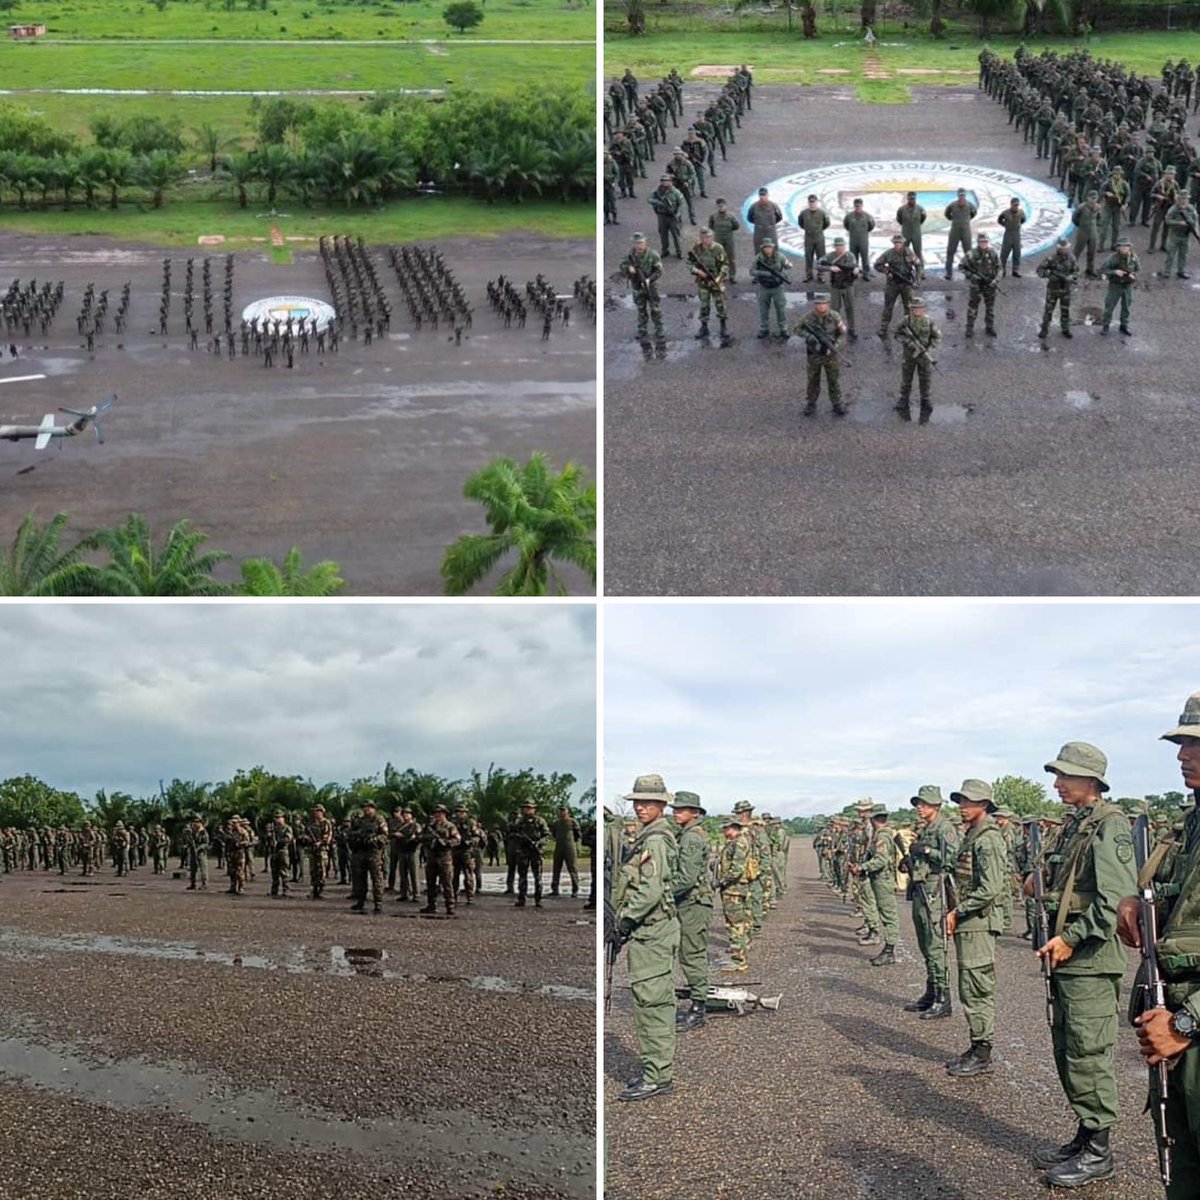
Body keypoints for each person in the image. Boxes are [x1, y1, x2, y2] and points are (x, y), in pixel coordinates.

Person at [1027, 742, 1135, 1188]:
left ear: (1091, 780)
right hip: (1071, 958)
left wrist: (1070, 937)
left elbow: (1115, 900)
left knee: (1088, 1052)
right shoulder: (1076, 825)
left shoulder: (1110, 826)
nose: (1057, 783)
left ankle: (1099, 1151)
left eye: (1065, 775)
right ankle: (1085, 1133)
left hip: (1089, 957)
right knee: (1069, 1049)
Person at [1117, 690, 1200, 1199]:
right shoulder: (1191, 824)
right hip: (1172, 1017)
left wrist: (1188, 1022)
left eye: (1195, 744)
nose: (1181, 755)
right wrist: (1135, 896)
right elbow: (1170, 892)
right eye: (1182, 743)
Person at [613, 774, 680, 1101]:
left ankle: (657, 1076)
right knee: (653, 999)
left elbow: (650, 890)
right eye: (637, 802)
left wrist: (625, 920)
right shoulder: (650, 835)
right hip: (652, 928)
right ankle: (657, 1070)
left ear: (662, 805)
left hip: (653, 929)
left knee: (652, 1002)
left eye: (648, 803)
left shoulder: (654, 840)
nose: (640, 808)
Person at [944, 778, 1007, 1078]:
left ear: (983, 805)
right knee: (969, 987)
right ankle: (977, 1044)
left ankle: (983, 1052)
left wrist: (958, 910)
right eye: (960, 801)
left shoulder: (988, 839)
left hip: (978, 922)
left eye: (967, 802)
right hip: (971, 922)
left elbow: (990, 888)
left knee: (977, 987)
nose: (961, 807)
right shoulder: (974, 835)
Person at [904, 786, 960, 1020]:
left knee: (935, 944)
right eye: (918, 803)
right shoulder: (927, 827)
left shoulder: (944, 827)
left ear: (936, 806)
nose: (919, 807)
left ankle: (942, 997)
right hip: (921, 888)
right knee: (925, 943)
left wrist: (926, 850)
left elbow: (951, 858)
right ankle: (931, 991)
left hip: (934, 890)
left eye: (924, 804)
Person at [670, 791, 712, 1032]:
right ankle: (697, 1001)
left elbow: (686, 878)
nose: (677, 812)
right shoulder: (686, 834)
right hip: (690, 902)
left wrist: (662, 895)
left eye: (682, 809)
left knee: (692, 954)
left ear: (695, 813)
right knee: (690, 953)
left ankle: (698, 1010)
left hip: (693, 903)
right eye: (676, 808)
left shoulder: (692, 838)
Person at [855, 803, 899, 965]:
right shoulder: (880, 834)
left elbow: (881, 859)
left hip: (883, 879)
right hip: (879, 878)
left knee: (889, 915)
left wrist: (863, 867)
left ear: (875, 819)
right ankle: (888, 948)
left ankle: (889, 950)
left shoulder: (882, 836)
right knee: (885, 913)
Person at [794, 293, 847, 417]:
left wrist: (836, 347)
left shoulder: (835, 316)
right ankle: (811, 403)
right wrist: (809, 336)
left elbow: (843, 334)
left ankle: (837, 403)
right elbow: (796, 329)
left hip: (830, 355)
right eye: (819, 304)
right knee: (813, 380)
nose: (821, 306)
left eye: (824, 304)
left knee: (833, 379)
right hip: (814, 355)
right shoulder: (808, 317)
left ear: (828, 304)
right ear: (815, 305)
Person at [716, 814, 754, 973]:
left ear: (732, 827)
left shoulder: (738, 843)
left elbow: (737, 869)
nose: (724, 831)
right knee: (742, 923)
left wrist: (722, 881)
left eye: (726, 828)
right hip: (738, 888)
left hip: (734, 889)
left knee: (734, 925)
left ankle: (739, 961)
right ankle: (739, 953)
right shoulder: (738, 841)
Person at [894, 295, 940, 422]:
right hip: (909, 355)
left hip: (924, 355)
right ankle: (904, 399)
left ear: (923, 309)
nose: (917, 311)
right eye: (914, 308)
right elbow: (897, 334)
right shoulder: (906, 321)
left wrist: (930, 349)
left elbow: (937, 336)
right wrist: (909, 343)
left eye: (919, 308)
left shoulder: (929, 321)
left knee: (925, 379)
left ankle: (925, 400)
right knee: (906, 378)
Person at [619, 233, 664, 346]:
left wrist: (649, 279)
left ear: (645, 243)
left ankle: (659, 328)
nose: (639, 245)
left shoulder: (653, 255)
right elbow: (622, 265)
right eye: (637, 243)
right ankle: (642, 330)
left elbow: (659, 271)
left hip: (651, 286)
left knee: (655, 308)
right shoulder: (630, 254)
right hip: (637, 286)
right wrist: (628, 268)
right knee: (641, 309)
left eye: (641, 243)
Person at [687, 227, 729, 342]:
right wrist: (697, 271)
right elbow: (689, 264)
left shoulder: (718, 248)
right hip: (702, 283)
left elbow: (725, 264)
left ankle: (723, 327)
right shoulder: (696, 249)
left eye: (709, 237)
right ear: (701, 238)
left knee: (720, 305)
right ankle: (704, 327)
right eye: (704, 237)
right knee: (704, 305)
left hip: (716, 281)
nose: (706, 240)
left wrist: (719, 277)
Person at [875, 234, 918, 338]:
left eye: (899, 242)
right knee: (888, 307)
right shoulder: (889, 253)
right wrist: (886, 272)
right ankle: (883, 328)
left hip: (906, 283)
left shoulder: (909, 252)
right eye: (895, 243)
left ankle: (908, 328)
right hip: (892, 284)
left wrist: (917, 279)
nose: (897, 244)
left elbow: (918, 265)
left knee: (909, 307)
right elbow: (877, 264)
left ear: (903, 243)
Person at [349, 799, 388, 915]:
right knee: (360, 878)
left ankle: (378, 903)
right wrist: (356, 837)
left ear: (373, 808)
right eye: (364, 807)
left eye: (368, 807)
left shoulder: (379, 820)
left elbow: (385, 835)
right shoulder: (359, 821)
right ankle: (360, 901)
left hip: (373, 852)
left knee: (376, 878)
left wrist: (375, 839)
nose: (366, 809)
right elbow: (351, 833)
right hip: (360, 851)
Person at [421, 803, 460, 916]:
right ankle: (431, 905)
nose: (437, 815)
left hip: (444, 857)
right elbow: (421, 837)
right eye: (435, 813)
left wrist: (446, 843)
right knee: (430, 882)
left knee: (447, 883)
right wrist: (429, 839)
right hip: (431, 857)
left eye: (440, 813)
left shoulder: (450, 826)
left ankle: (450, 905)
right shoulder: (429, 827)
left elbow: (457, 840)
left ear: (444, 814)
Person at [1036, 237, 1079, 340]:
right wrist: (1050, 275)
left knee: (1065, 310)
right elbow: (1039, 270)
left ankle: (1065, 329)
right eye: (1062, 248)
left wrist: (1071, 277)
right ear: (1058, 248)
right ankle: (1044, 328)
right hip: (1053, 289)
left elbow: (1076, 271)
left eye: (1065, 248)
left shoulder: (1072, 258)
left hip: (1066, 289)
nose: (1064, 250)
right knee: (1048, 310)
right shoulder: (1051, 258)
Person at [511, 799, 551, 908]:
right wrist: (520, 841)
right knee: (522, 876)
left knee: (538, 877)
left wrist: (539, 843)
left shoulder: (540, 821)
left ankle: (538, 899)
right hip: (523, 851)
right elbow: (513, 834)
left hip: (536, 852)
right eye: (525, 808)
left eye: (529, 808)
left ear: (534, 809)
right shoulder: (519, 822)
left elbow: (547, 835)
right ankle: (521, 899)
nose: (527, 810)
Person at [961, 232, 1000, 338]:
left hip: (990, 284)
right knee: (973, 306)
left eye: (985, 242)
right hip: (976, 285)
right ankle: (969, 328)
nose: (983, 244)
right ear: (978, 242)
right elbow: (961, 266)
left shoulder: (993, 253)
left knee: (990, 307)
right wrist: (972, 276)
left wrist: (996, 280)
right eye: (981, 242)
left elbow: (999, 268)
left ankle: (989, 327)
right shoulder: (971, 254)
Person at [818, 236, 858, 339]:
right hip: (835, 286)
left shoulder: (850, 256)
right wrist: (830, 268)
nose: (839, 248)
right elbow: (817, 265)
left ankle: (852, 329)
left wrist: (856, 270)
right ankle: (836, 329)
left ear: (844, 246)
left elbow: (855, 266)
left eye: (841, 245)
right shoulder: (830, 256)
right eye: (837, 246)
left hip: (848, 286)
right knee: (835, 310)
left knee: (850, 308)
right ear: (834, 247)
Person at [1100, 235, 1139, 336]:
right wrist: (1115, 272)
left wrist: (1133, 274)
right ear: (1118, 248)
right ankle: (1105, 326)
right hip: (1115, 286)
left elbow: (1138, 269)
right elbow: (1103, 269)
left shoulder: (1133, 257)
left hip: (1127, 286)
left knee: (1126, 307)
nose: (1124, 249)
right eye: (1122, 247)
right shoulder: (1113, 258)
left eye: (1126, 247)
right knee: (1109, 306)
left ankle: (1124, 326)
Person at [751, 238, 790, 339]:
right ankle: (764, 328)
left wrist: (784, 273)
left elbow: (788, 266)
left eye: (770, 247)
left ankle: (783, 329)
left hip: (778, 287)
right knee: (763, 309)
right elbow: (752, 271)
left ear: (773, 247)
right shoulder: (758, 258)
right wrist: (766, 274)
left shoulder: (780, 256)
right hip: (764, 288)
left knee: (781, 309)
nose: (768, 249)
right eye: (766, 247)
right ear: (762, 248)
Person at [1161, 194, 1199, 279]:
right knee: (1170, 254)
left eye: (1186, 199)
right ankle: (1167, 271)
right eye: (1182, 199)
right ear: (1178, 199)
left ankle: (1181, 271)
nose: (1184, 201)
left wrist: (1196, 231)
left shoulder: (1191, 209)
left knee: (1183, 255)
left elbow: (1195, 220)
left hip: (1186, 236)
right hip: (1175, 235)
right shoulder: (1174, 209)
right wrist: (1178, 223)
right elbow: (1167, 220)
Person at [943, 188, 977, 280]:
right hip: (955, 231)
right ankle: (949, 272)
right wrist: (954, 220)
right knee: (950, 251)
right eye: (960, 195)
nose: (961, 197)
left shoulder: (970, 205)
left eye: (963, 195)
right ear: (958, 196)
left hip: (966, 231)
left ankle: (969, 272)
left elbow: (973, 214)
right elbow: (947, 214)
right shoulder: (952, 205)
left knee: (968, 252)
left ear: (965, 196)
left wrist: (966, 221)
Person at [649, 174, 684, 259]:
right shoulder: (657, 191)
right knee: (663, 234)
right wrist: (658, 202)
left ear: (670, 182)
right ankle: (665, 250)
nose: (665, 183)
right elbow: (649, 199)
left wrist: (678, 214)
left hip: (672, 216)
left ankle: (679, 251)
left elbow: (680, 204)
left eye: (667, 181)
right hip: (662, 216)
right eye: (663, 181)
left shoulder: (675, 192)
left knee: (676, 235)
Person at [303, 804, 333, 899]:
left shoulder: (326, 823)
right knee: (313, 870)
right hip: (312, 850)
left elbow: (328, 835)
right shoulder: (311, 824)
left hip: (322, 850)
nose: (315, 813)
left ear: (321, 812)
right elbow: (305, 834)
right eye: (314, 811)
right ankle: (314, 889)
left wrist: (320, 842)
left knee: (321, 870)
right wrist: (307, 839)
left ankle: (320, 890)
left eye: (317, 811)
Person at [798, 193, 830, 282]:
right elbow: (801, 223)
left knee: (821, 257)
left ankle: (821, 275)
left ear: (817, 202)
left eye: (814, 202)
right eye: (810, 202)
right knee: (808, 257)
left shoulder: (822, 213)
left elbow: (826, 224)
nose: (812, 204)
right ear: (808, 203)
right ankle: (809, 275)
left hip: (819, 238)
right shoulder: (803, 213)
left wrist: (819, 230)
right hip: (808, 238)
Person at [551, 805, 581, 897]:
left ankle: (575, 889)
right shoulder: (556, 823)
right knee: (556, 868)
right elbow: (553, 834)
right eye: (560, 811)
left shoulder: (573, 822)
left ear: (568, 812)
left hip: (570, 847)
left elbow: (578, 835)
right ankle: (555, 889)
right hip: (559, 846)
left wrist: (576, 845)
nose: (561, 813)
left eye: (563, 811)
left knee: (572, 868)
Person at [708, 198, 740, 282]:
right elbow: (710, 226)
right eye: (719, 206)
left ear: (726, 206)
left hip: (729, 239)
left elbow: (736, 226)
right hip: (718, 239)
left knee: (731, 258)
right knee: (718, 258)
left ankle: (732, 276)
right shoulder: (713, 216)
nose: (721, 208)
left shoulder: (731, 216)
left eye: (722, 206)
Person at [896, 191, 927, 277]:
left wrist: (916, 225)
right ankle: (903, 271)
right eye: (910, 199)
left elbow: (923, 218)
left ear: (915, 199)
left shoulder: (920, 209)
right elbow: (899, 219)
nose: (912, 200)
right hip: (905, 234)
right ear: (907, 199)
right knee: (904, 253)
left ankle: (920, 272)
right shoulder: (901, 209)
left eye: (913, 199)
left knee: (918, 253)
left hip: (916, 234)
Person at [843, 197, 875, 279]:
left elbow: (871, 226)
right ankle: (854, 273)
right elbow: (846, 225)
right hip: (853, 240)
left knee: (865, 257)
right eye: (856, 206)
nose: (858, 208)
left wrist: (863, 233)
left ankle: (866, 274)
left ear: (862, 206)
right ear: (854, 206)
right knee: (853, 258)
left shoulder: (867, 216)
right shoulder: (849, 216)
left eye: (859, 206)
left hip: (863, 240)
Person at [997, 196, 1026, 276]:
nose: (1016, 207)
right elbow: (999, 220)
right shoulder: (1005, 213)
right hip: (1008, 234)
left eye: (1017, 205)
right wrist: (1005, 225)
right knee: (1004, 253)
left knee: (1017, 253)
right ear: (1011, 204)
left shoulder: (1021, 212)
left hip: (1017, 234)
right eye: (1014, 205)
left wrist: (1018, 225)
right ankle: (1002, 270)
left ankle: (1015, 270)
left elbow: (1023, 219)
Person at [267, 810, 293, 898]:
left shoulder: (287, 828)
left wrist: (278, 842)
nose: (277, 820)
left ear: (283, 818)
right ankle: (274, 890)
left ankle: (286, 890)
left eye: (279, 817)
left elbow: (288, 839)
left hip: (282, 851)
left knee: (284, 872)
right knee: (274, 872)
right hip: (274, 853)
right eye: (276, 818)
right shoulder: (273, 829)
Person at [749, 186, 782, 253]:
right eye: (761, 195)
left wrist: (771, 224)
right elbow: (749, 218)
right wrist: (758, 224)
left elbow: (779, 217)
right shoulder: (754, 207)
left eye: (764, 195)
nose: (762, 197)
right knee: (759, 252)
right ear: (758, 195)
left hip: (771, 232)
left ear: (767, 195)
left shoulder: (773, 206)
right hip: (759, 232)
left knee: (774, 252)